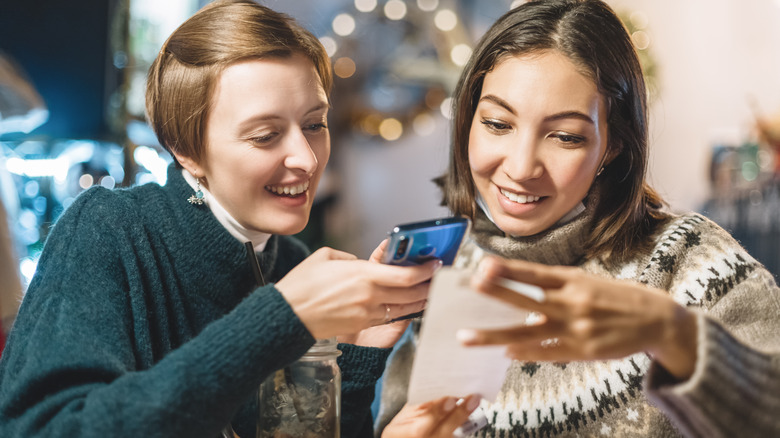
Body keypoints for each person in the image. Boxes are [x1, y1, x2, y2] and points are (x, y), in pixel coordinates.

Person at [0, 1, 479, 437]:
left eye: (315, 125)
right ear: (187, 150)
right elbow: (48, 428)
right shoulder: (111, 230)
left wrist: (355, 359)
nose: (308, 162)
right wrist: (282, 316)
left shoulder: (292, 260)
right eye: (266, 135)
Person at [377, 0, 780, 437]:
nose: (521, 166)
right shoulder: (445, 275)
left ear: (613, 147)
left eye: (566, 136)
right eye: (497, 123)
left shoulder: (692, 265)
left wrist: (677, 337)